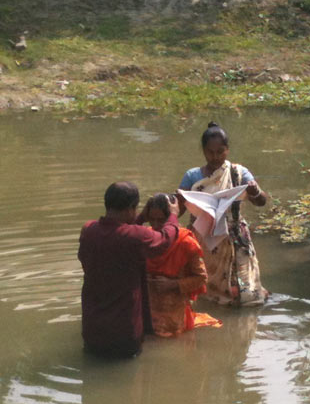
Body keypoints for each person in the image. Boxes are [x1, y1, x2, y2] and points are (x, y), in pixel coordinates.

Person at [79, 182, 181, 358]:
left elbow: (122, 231)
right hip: (124, 335)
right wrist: (172, 216)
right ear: (130, 209)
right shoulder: (136, 236)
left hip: (92, 332)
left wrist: (141, 216)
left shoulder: (88, 230)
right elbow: (164, 239)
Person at [179, 123, 270, 306]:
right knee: (207, 289)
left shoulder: (238, 173)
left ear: (227, 150)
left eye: (220, 152)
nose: (215, 157)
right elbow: (179, 208)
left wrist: (254, 192)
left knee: (246, 291)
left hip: (234, 236)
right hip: (203, 238)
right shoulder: (192, 176)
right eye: (210, 152)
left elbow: (261, 202)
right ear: (203, 151)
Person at [141, 193, 222, 338]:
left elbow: (201, 278)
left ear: (171, 218)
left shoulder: (186, 242)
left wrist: (172, 284)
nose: (155, 225)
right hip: (145, 310)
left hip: (173, 313)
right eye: (151, 220)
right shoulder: (145, 238)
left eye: (161, 220)